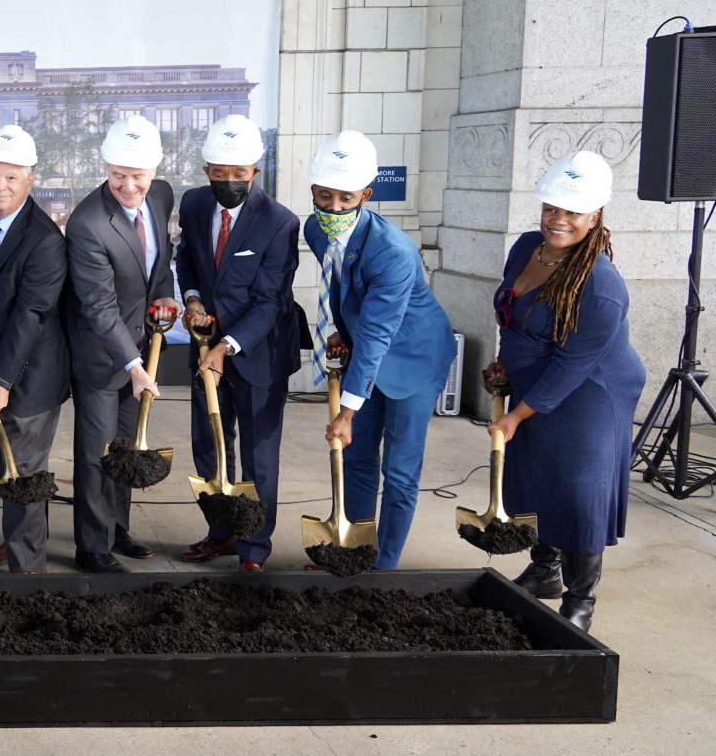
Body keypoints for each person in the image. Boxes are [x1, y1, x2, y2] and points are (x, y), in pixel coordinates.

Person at [491, 151, 645, 632]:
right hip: (537, 382)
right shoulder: (526, 247)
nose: (558, 220)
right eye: (551, 208)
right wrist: (505, 363)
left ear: (595, 215)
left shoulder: (601, 287)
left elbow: (572, 366)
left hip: (590, 396)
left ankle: (581, 600)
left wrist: (516, 416)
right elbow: (514, 311)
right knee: (538, 476)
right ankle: (545, 571)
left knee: (580, 492)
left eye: (572, 212)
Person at [303, 130, 455, 570]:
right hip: (367, 349)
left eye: (345, 198)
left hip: (414, 359)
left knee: (401, 472)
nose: (333, 208)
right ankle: (353, 552)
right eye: (324, 195)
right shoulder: (315, 228)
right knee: (357, 458)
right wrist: (340, 331)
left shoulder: (393, 252)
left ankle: (382, 568)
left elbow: (378, 334)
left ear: (366, 195)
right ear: (313, 190)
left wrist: (346, 412)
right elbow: (341, 283)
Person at [175, 115, 301, 572]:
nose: (228, 180)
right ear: (207, 168)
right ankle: (220, 533)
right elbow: (187, 259)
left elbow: (271, 301)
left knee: (257, 458)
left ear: (255, 172)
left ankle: (254, 548)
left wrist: (225, 346)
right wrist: (191, 300)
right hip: (204, 347)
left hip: (257, 356)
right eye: (219, 172)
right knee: (209, 446)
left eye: (238, 173)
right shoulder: (192, 205)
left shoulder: (280, 223)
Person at [63, 115, 180, 573]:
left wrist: (167, 291)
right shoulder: (89, 223)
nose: (128, 187)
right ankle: (91, 548)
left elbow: (161, 259)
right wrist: (133, 366)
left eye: (137, 177)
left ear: (154, 171)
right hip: (100, 354)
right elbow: (98, 307)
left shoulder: (163, 194)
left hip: (141, 346)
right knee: (97, 453)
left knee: (128, 447)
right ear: (105, 167)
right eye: (118, 176)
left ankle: (117, 529)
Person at [0, 125, 69, 574]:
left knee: (25, 471)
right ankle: (14, 541)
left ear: (30, 179)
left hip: (31, 374)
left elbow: (31, 316)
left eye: (11, 178)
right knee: (8, 458)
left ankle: (28, 570)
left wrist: (3, 380)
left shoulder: (44, 240)